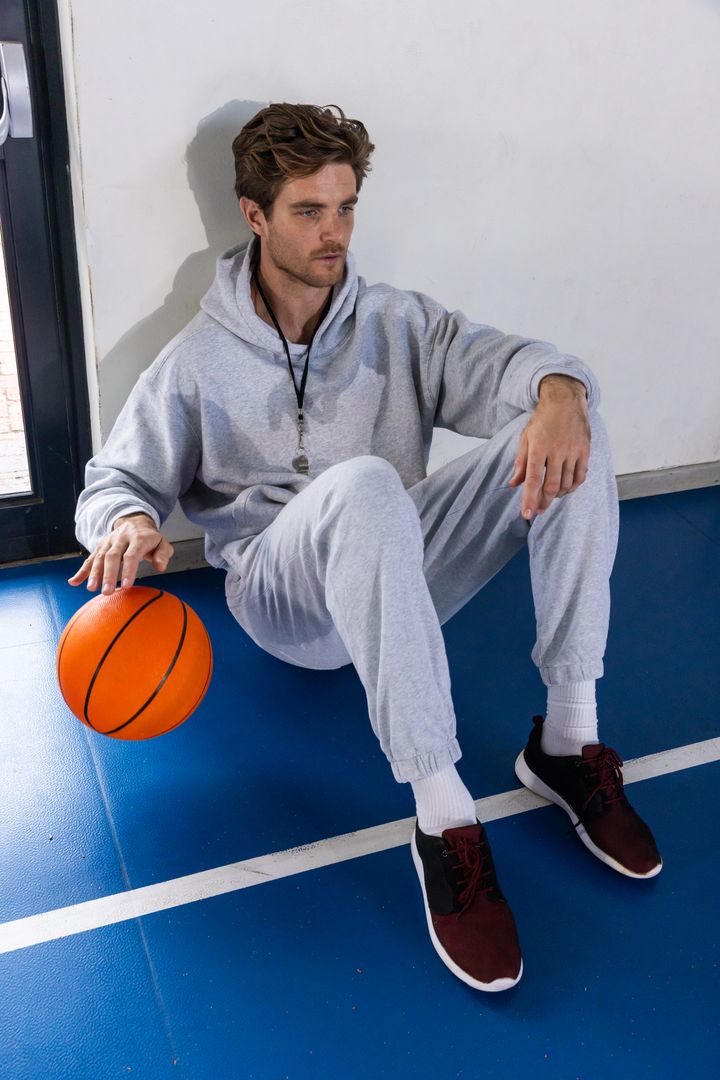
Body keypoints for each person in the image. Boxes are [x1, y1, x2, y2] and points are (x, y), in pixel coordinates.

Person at [69, 103, 661, 992]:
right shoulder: (196, 361)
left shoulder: (399, 321)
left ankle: (568, 743)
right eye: (309, 210)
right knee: (366, 483)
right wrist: (126, 523)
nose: (334, 231)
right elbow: (111, 481)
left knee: (572, 415)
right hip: (284, 594)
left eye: (345, 208)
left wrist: (560, 386)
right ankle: (444, 817)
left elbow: (508, 362)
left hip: (394, 568)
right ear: (255, 213)